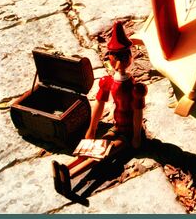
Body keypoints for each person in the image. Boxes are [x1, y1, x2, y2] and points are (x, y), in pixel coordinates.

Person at [52, 21, 147, 197]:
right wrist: (92, 128)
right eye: (115, 56)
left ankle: (71, 175)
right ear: (109, 57)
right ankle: (66, 167)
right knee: (97, 146)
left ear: (130, 56)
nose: (119, 61)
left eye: (124, 56)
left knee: (107, 151)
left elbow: (137, 113)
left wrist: (136, 136)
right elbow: (99, 104)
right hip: (116, 126)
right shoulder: (107, 81)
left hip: (128, 131)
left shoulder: (135, 88)